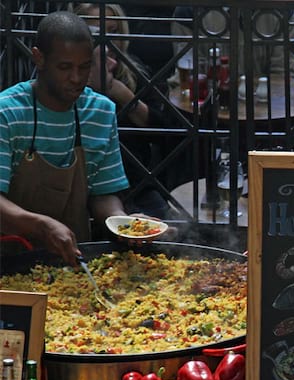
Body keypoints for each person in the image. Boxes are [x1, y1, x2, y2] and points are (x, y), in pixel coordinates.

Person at [0, 11, 132, 265]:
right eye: (65, 67)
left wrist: (123, 223)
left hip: (75, 263)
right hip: (9, 260)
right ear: (38, 58)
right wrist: (42, 226)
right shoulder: (7, 112)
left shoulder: (100, 112)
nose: (76, 78)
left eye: (84, 67)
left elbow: (103, 194)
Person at [73, 3, 171, 218]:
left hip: (136, 179)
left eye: (113, 31)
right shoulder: (71, 76)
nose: (106, 39)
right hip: (85, 182)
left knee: (165, 227)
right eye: (95, 31)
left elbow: (163, 130)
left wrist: (121, 92)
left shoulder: (134, 68)